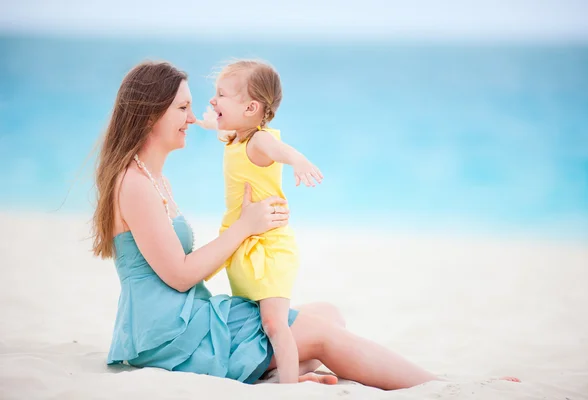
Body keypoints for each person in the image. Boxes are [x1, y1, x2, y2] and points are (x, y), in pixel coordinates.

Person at [93, 60, 518, 389]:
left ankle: (282, 371)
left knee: (327, 314)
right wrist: (246, 226)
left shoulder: (152, 178)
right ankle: (445, 385)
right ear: (151, 115)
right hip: (172, 337)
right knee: (319, 333)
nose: (193, 116)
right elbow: (180, 275)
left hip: (189, 319)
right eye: (183, 108)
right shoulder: (134, 185)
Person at [196, 59, 323, 384]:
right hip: (244, 245)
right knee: (260, 324)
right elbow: (219, 127)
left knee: (275, 324)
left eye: (221, 95)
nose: (213, 100)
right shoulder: (235, 136)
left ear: (251, 107)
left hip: (268, 249)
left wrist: (299, 162)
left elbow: (281, 150)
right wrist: (208, 122)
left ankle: (291, 386)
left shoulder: (258, 140)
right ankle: (295, 370)